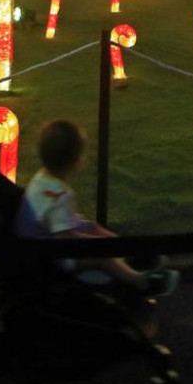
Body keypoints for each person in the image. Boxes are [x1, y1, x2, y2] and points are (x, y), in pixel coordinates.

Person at [17, 118, 179, 298]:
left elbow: (53, 219)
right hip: (52, 255)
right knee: (102, 259)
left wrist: (87, 228)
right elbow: (64, 238)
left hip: (39, 238)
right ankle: (140, 281)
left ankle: (125, 253)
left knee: (92, 226)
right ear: (75, 161)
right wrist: (95, 244)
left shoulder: (40, 178)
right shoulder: (61, 195)